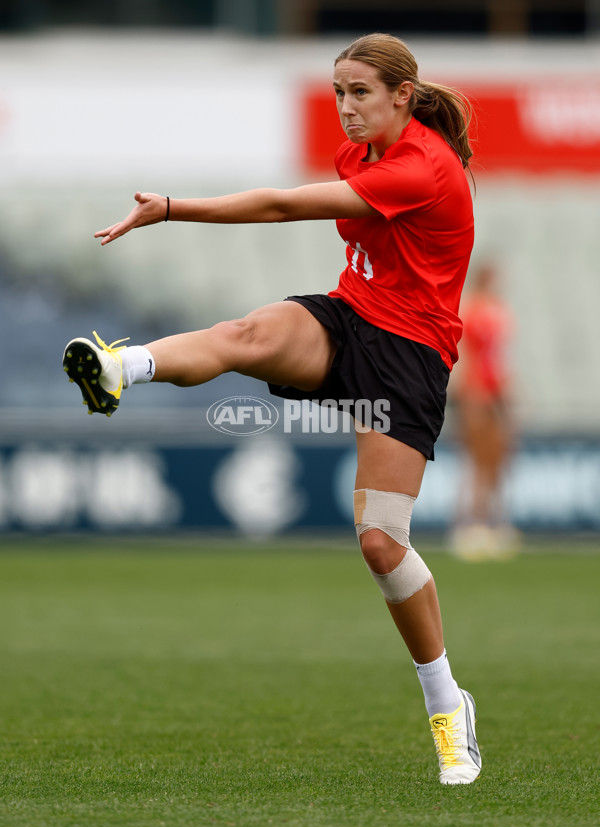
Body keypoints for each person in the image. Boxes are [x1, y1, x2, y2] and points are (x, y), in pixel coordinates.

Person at [62, 33, 481, 785]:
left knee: (382, 545)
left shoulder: (423, 165)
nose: (347, 109)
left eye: (360, 93)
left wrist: (171, 209)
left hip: (410, 358)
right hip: (349, 317)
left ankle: (448, 705)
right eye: (339, 93)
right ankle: (121, 366)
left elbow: (282, 204)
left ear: (402, 97)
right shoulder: (360, 155)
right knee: (245, 333)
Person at [450, 262, 519, 560]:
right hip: (476, 391)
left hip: (494, 390)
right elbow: (471, 357)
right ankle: (469, 524)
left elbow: (499, 358)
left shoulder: (496, 310)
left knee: (498, 458)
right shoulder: (472, 310)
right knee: (476, 459)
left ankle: (493, 521)